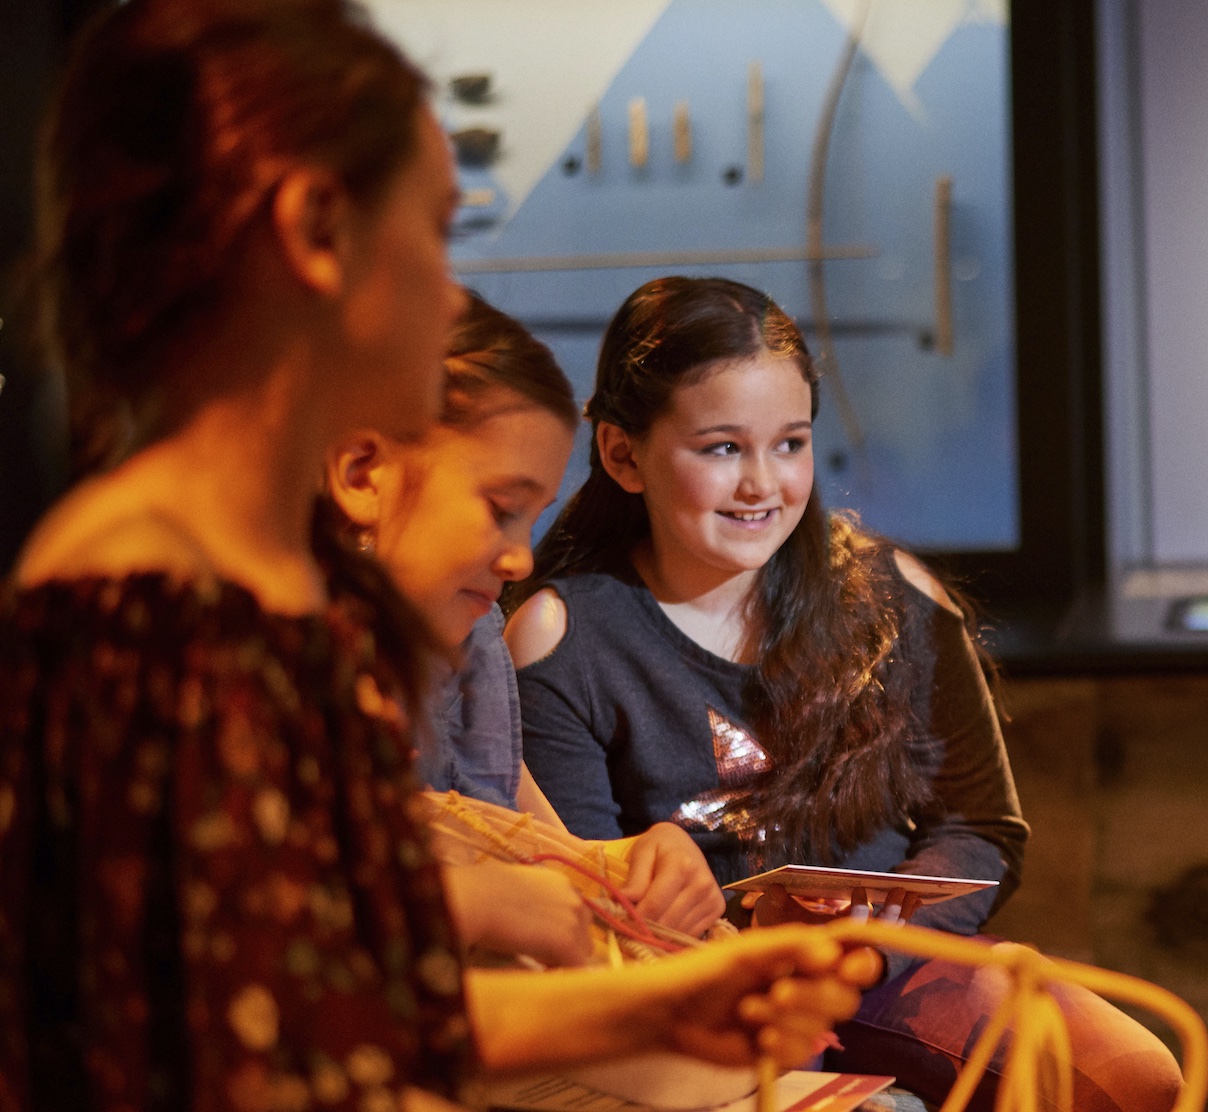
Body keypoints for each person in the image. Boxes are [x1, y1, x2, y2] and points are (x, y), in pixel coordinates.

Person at [0, 3, 870, 1109]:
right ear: (316, 230)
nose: (450, 290)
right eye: (435, 229)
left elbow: (343, 988)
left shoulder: (266, 590)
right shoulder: (144, 591)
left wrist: (669, 1000)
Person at [505, 275, 1183, 1112]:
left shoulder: (893, 595)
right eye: (722, 448)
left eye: (790, 443)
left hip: (896, 964)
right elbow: (594, 912)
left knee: (1131, 1078)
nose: (764, 483)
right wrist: (754, 941)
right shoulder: (561, 636)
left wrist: (869, 947)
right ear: (622, 454)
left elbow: (981, 830)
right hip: (704, 991)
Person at [322, 290, 724, 963]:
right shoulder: (258, 668)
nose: (521, 560)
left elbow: (535, 845)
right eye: (501, 509)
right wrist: (468, 903)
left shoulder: (473, 640)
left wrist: (641, 862)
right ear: (364, 474)